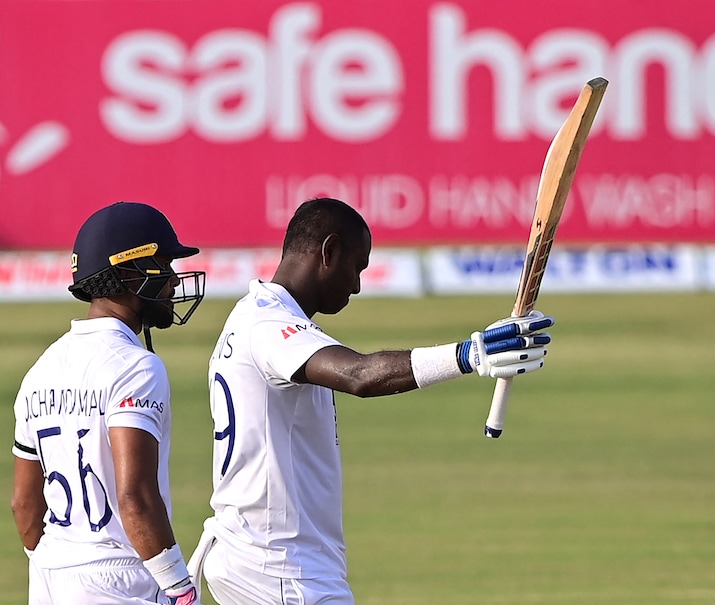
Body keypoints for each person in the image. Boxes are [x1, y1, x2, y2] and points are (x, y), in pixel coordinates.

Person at [188, 197, 554, 605]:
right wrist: (469, 355)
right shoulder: (269, 325)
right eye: (356, 267)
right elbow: (359, 375)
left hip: (259, 557)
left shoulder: (252, 314)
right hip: (281, 569)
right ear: (329, 252)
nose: (357, 285)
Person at [11, 201, 207, 605]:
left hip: (50, 580)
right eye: (163, 267)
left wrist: (59, 565)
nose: (172, 282)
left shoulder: (40, 370)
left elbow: (24, 506)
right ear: (127, 272)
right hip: (123, 582)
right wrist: (180, 587)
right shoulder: (136, 367)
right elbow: (135, 497)